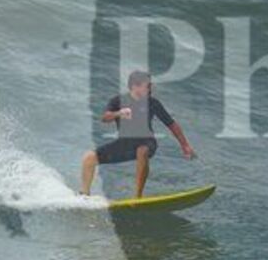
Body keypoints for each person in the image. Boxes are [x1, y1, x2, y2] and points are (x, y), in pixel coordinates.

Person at [81, 70, 195, 198]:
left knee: (142, 150)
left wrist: (185, 145)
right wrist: (119, 113)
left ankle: (138, 196)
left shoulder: (153, 103)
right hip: (124, 143)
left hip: (147, 142)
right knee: (89, 157)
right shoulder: (118, 101)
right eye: (147, 85)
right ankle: (85, 196)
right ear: (134, 86)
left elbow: (172, 124)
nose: (150, 88)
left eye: (150, 85)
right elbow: (105, 118)